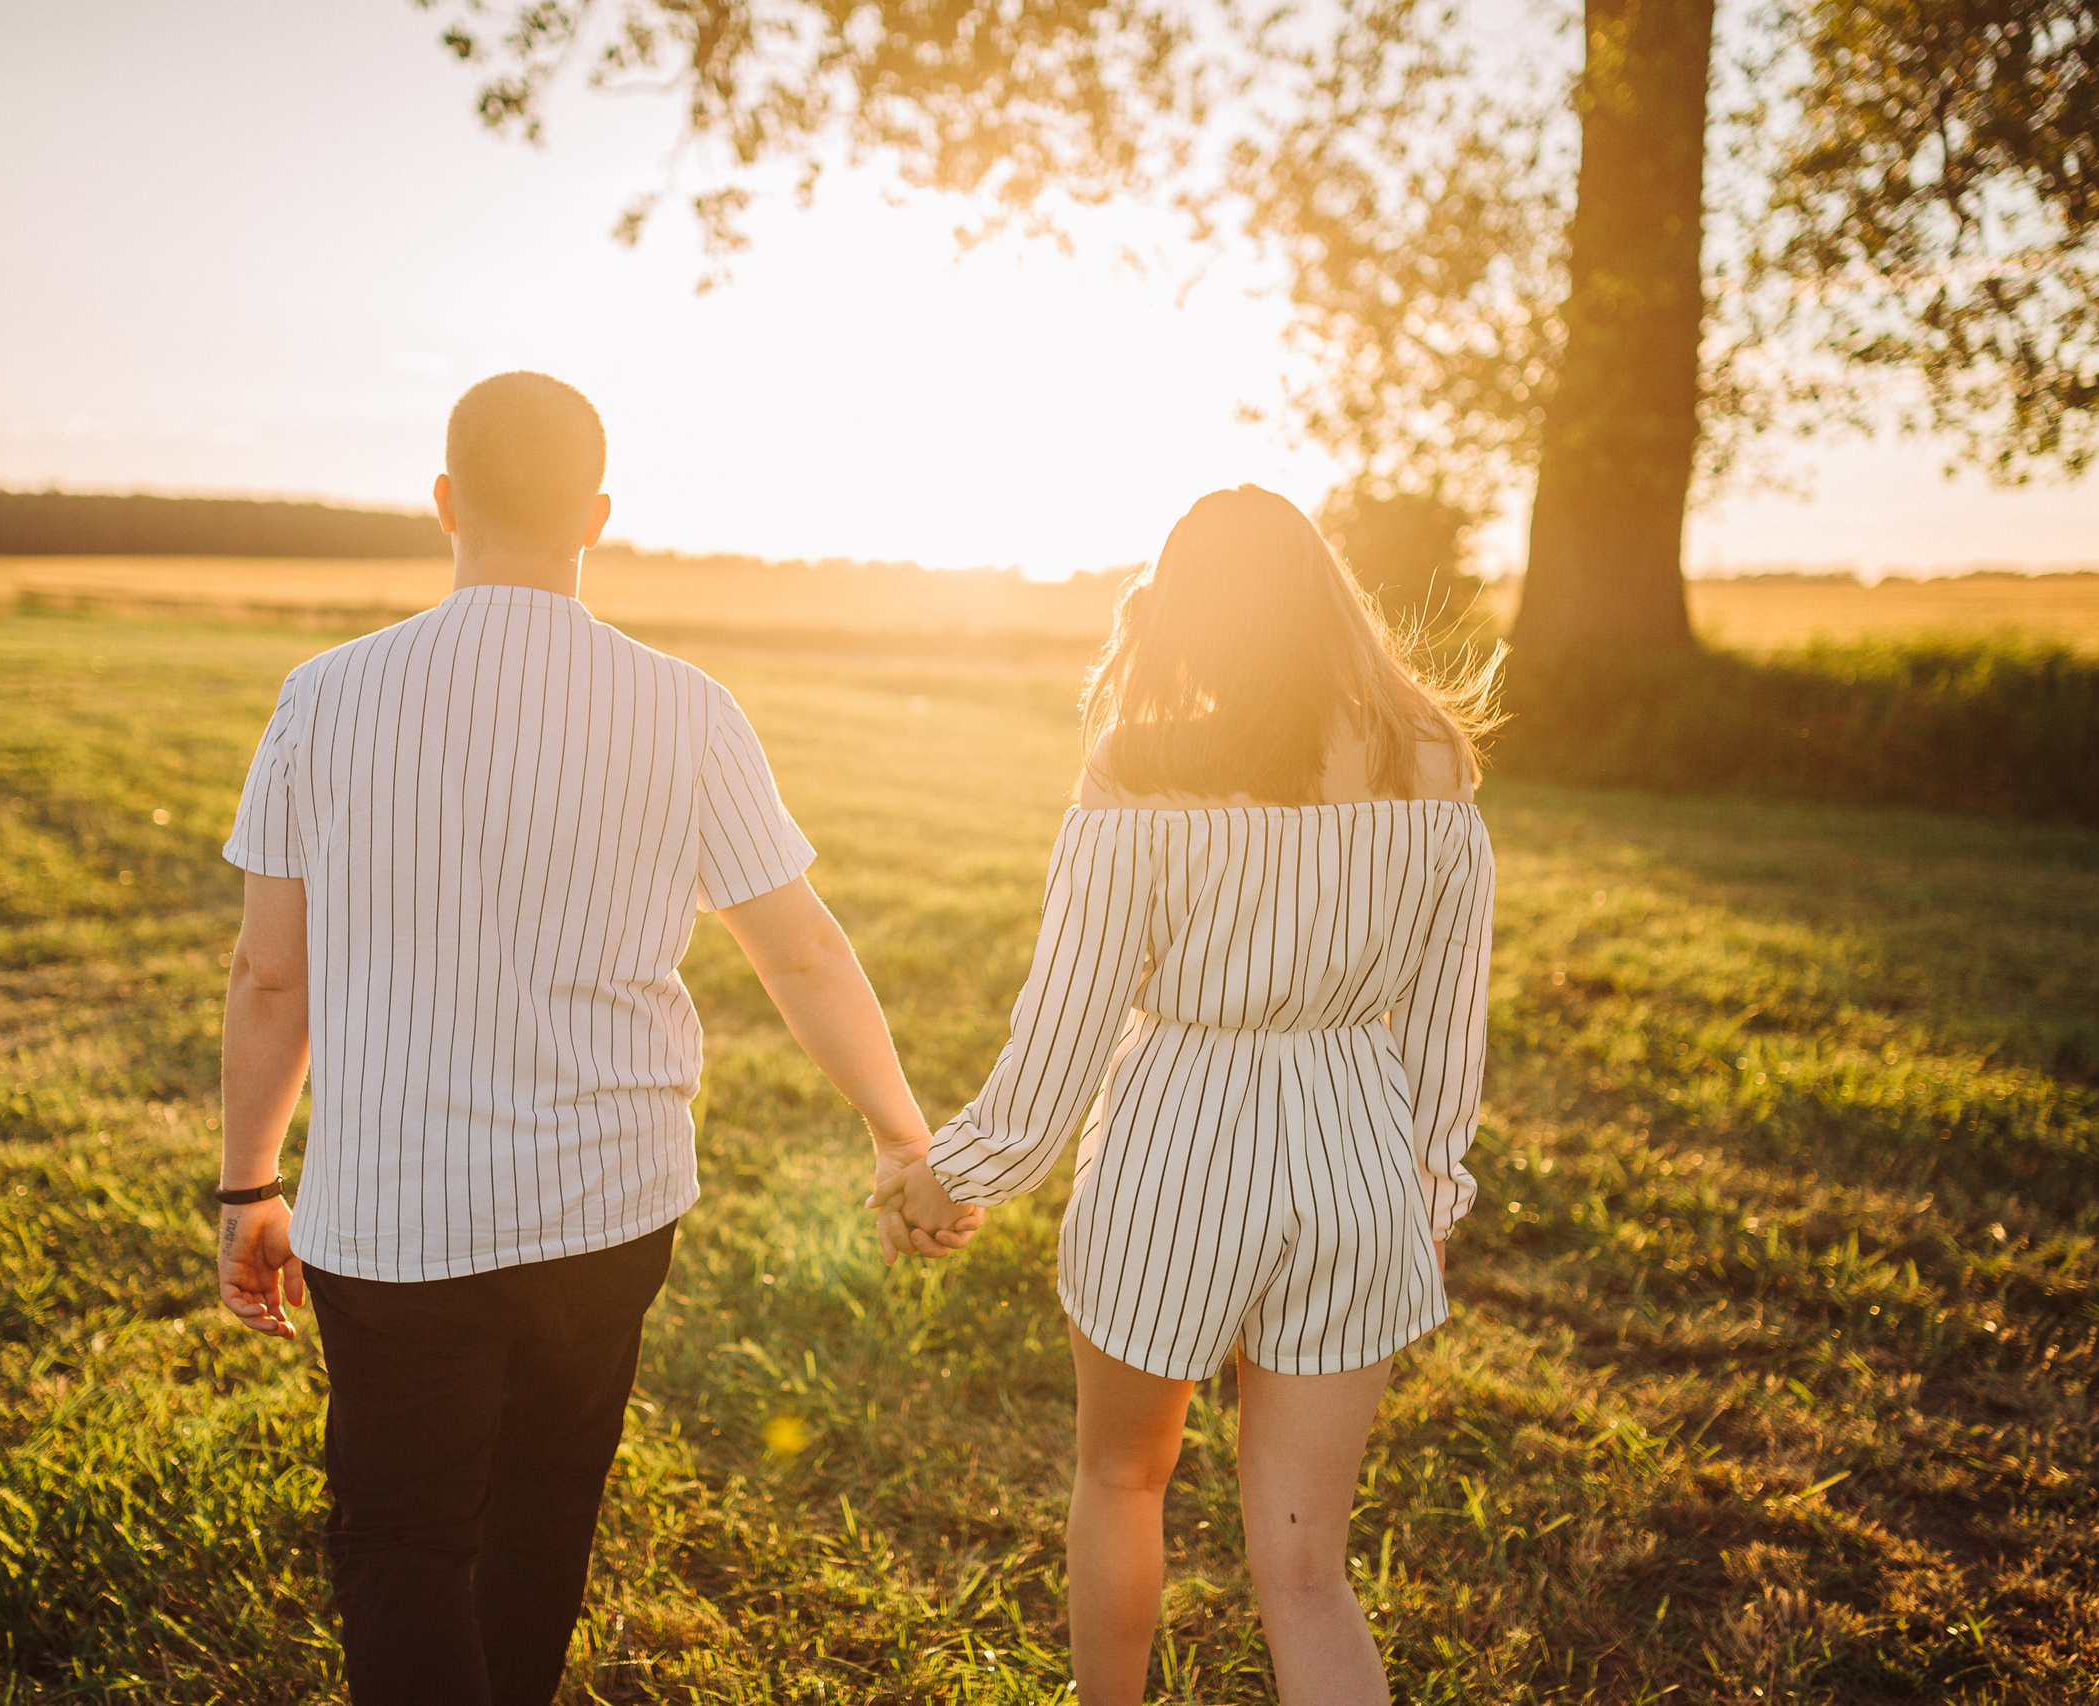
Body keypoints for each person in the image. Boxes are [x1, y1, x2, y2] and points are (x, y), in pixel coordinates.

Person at [210, 370, 974, 1706]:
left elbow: (274, 976)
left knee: (402, 1540)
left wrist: (248, 1183)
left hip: (391, 1218)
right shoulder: (687, 709)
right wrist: (899, 1129)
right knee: (546, 1507)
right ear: (598, 517)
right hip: (608, 1210)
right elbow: (800, 946)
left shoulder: (323, 697)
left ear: (443, 502)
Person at [876, 485, 1501, 1706]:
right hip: (1355, 1162)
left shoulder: (1141, 769)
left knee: (1122, 1478)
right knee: (1309, 1570)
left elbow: (1061, 1033)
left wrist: (945, 1177)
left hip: (1173, 1153)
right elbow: (1446, 1025)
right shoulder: (1432, 760)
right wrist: (1428, 1189)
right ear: (1326, 597)